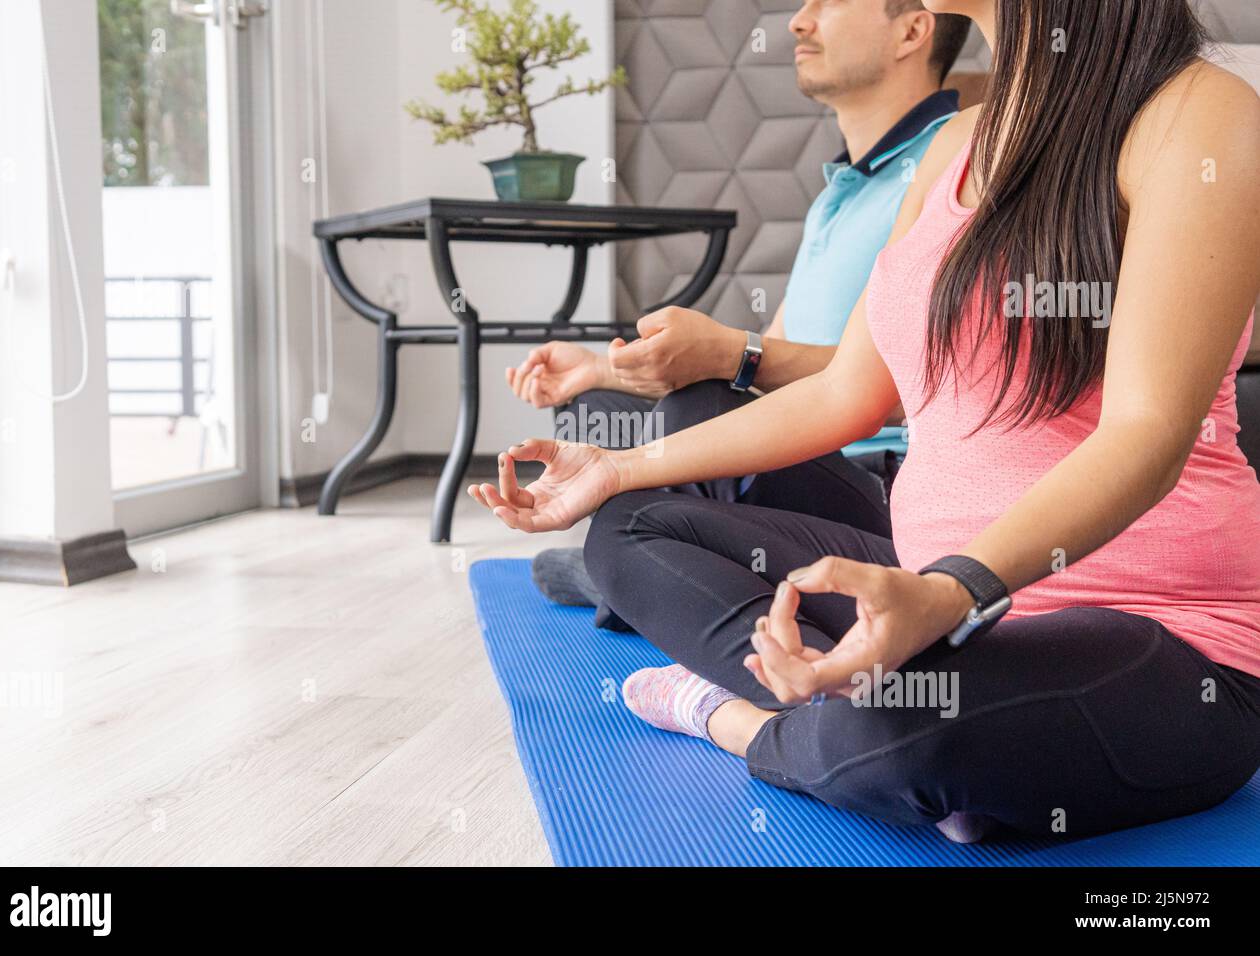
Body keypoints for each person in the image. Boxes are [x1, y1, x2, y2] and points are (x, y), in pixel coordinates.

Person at [469, 0, 1260, 844]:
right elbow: (846, 393)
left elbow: (1145, 432)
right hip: (930, 591)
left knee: (916, 733)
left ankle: (741, 721)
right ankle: (855, 709)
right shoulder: (958, 146)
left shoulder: (1201, 117)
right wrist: (620, 468)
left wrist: (952, 592)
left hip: (1163, 629)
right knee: (629, 528)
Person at [505, 0, 971, 625]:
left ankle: (630, 574)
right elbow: (769, 355)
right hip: (794, 450)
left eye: (828, 5)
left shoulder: (952, 168)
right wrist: (597, 370)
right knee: (595, 413)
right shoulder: (839, 192)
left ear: (913, 30)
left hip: (879, 480)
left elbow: (918, 387)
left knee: (700, 404)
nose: (798, 23)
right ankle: (648, 569)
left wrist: (731, 356)